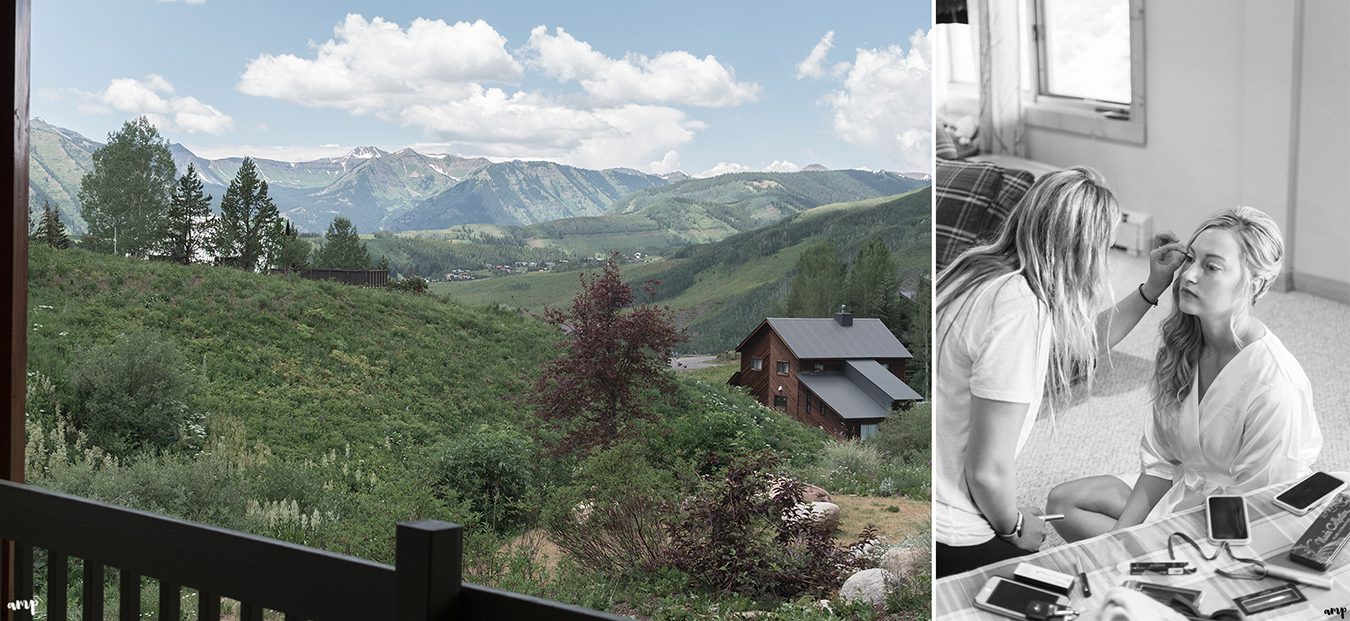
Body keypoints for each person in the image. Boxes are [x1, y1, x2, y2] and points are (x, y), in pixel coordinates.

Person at [933, 167, 1186, 577]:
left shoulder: (977, 271)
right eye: (1104, 248)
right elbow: (986, 471)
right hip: (950, 530)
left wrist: (1151, 287)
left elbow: (1081, 345)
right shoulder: (1018, 310)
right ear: (1084, 250)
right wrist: (1013, 526)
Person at [1047, 207, 1320, 541]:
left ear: (1255, 283)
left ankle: (1157, 555)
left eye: (1211, 267)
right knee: (1062, 503)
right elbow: (1161, 462)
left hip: (1238, 521)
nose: (1189, 275)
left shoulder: (1275, 383)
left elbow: (1257, 505)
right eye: (1190, 259)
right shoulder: (1183, 345)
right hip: (1185, 491)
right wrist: (1120, 539)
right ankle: (1145, 550)